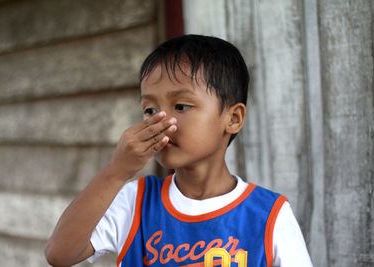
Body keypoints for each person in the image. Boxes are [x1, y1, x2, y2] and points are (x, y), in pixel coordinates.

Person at [45, 35, 313, 267]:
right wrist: (116, 172)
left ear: (233, 119)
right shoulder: (135, 202)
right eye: (150, 110)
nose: (162, 121)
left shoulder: (269, 214)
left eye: (182, 106)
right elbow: (60, 254)